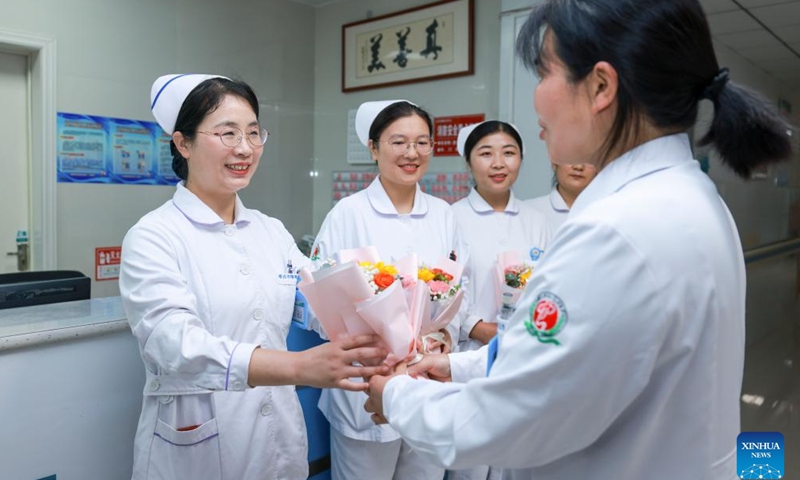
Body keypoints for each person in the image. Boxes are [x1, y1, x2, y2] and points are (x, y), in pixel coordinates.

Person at [364, 1, 795, 479]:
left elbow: (504, 423)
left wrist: (397, 396)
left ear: (601, 87)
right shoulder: (691, 197)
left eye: (545, 73)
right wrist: (456, 369)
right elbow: (581, 362)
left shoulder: (616, 231)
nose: (537, 99)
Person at [119, 74, 388, 480]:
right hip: (198, 442)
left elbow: (317, 300)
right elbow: (172, 344)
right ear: (183, 143)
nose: (244, 148)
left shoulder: (271, 231)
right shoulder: (153, 236)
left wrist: (382, 327)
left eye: (252, 133)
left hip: (278, 433)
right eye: (227, 133)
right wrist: (296, 368)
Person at [311, 99, 466, 480]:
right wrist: (367, 342)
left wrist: (446, 334)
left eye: (422, 142)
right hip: (366, 380)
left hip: (426, 382)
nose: (412, 153)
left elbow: (461, 288)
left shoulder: (444, 214)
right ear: (373, 148)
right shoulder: (348, 214)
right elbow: (317, 302)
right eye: (398, 142)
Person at [448, 121, 549, 480]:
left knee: (518, 462)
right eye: (486, 153)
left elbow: (549, 288)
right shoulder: (451, 218)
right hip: (467, 357)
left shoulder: (538, 222)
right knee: (470, 468)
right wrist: (478, 327)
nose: (498, 163)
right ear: (469, 161)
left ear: (521, 159)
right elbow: (442, 289)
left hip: (523, 357)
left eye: (509, 153)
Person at [527, 162, 597, 236]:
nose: (578, 167)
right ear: (554, 162)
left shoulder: (607, 213)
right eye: (571, 157)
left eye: (588, 159)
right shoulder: (528, 213)